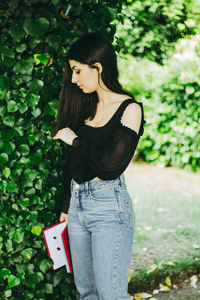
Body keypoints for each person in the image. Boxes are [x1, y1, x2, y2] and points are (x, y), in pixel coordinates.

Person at [53, 32, 146, 300]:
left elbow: (111, 166)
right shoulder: (88, 107)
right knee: (87, 293)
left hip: (109, 209)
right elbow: (77, 166)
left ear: (99, 67)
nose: (74, 79)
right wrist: (66, 207)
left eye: (78, 71)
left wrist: (76, 140)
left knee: (110, 295)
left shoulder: (130, 109)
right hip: (77, 204)